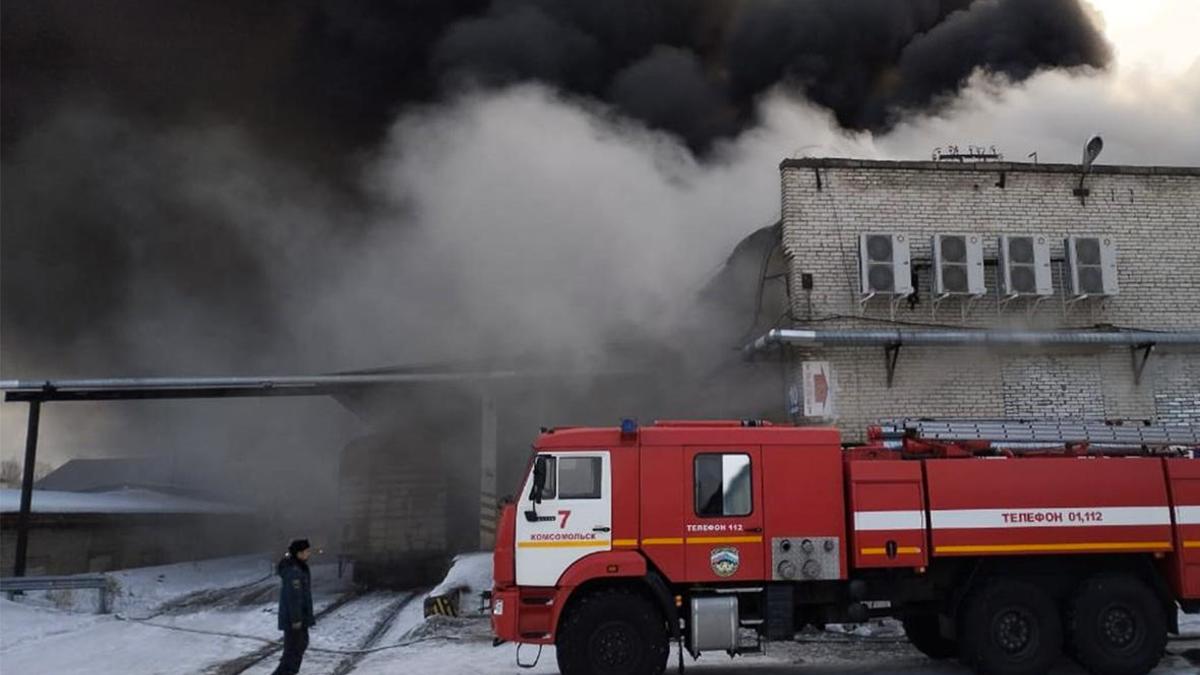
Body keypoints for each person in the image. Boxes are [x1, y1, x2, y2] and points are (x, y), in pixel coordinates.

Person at [272, 539, 315, 675]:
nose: (309, 553)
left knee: (295, 651)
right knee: (292, 655)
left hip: (299, 620)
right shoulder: (294, 572)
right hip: (295, 621)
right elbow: (294, 599)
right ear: (299, 553)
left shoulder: (299, 567)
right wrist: (296, 621)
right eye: (307, 551)